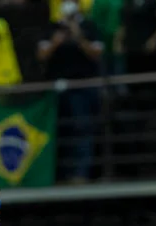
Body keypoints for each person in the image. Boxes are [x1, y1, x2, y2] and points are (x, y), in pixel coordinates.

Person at [38, 0, 104, 182]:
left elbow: (96, 53)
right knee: (59, 131)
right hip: (56, 91)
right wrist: (56, 41)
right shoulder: (53, 28)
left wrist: (78, 35)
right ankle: (60, 175)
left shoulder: (88, 26)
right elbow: (42, 55)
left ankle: (80, 173)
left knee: (82, 129)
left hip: (83, 88)